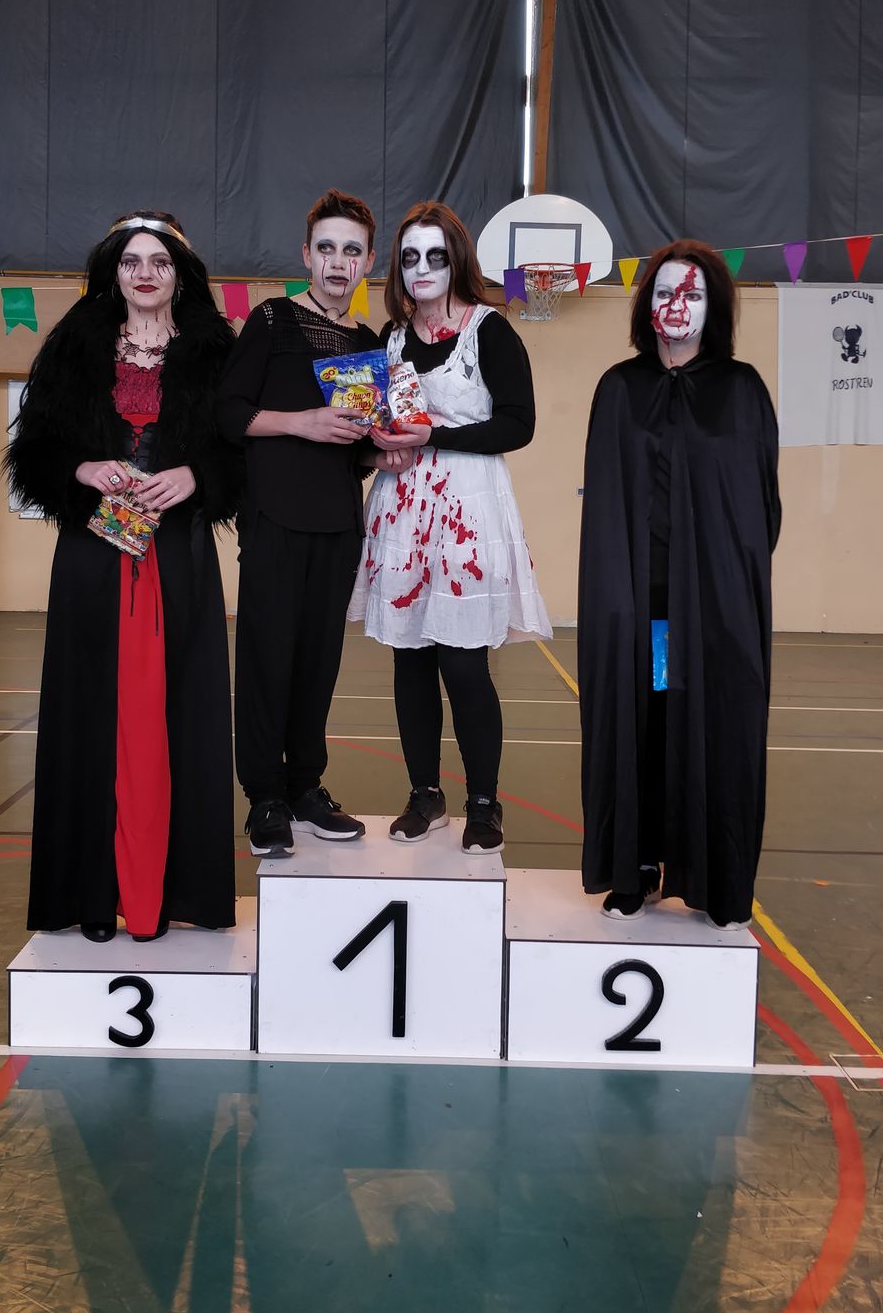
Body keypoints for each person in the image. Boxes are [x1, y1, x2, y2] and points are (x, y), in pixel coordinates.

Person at [6, 209, 240, 942]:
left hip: (179, 557)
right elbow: (34, 450)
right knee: (90, 714)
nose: (145, 273)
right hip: (93, 555)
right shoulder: (75, 345)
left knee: (178, 715)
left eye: (159, 262)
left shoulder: (216, 351)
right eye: (132, 261)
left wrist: (196, 476)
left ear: (180, 275)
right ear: (114, 271)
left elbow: (243, 451)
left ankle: (169, 893)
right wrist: (82, 469)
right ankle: (92, 896)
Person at [578, 239, 781, 929]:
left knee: (718, 728)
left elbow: (762, 504)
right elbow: (605, 503)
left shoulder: (742, 390)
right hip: (646, 606)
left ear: (713, 307)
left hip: (716, 605)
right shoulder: (619, 389)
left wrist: (726, 579)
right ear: (646, 304)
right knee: (647, 721)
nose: (677, 305)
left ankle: (715, 875)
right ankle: (636, 867)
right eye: (665, 292)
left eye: (692, 294)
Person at [350, 201, 552, 853]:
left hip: (468, 514)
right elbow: (374, 424)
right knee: (410, 661)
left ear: (457, 259)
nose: (422, 268)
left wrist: (432, 435)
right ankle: (425, 795)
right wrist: (378, 445)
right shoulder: (389, 337)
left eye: (436, 255)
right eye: (410, 256)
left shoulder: (490, 331)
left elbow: (517, 424)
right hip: (402, 511)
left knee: (464, 666)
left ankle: (484, 803)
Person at [217, 188, 381, 857]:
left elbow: (356, 447)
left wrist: (384, 450)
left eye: (352, 250)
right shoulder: (271, 320)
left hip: (338, 524)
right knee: (267, 661)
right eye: (327, 248)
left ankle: (306, 786)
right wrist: (302, 422)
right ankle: (264, 797)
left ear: (368, 262)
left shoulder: (369, 344)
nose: (339, 261)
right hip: (274, 519)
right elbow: (229, 413)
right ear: (306, 255)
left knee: (318, 663)